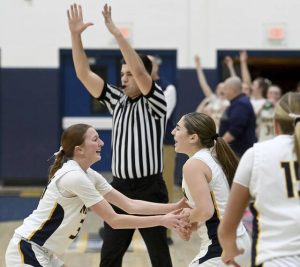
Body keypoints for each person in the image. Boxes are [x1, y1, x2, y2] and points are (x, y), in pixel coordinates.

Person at [68, 4, 173, 267]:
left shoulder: (155, 101)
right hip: (120, 189)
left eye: (129, 74)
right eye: (122, 74)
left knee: (159, 255)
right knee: (110, 256)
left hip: (150, 188)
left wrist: (115, 32)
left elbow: (140, 71)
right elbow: (83, 73)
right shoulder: (116, 99)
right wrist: (75, 36)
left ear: (145, 77)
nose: (124, 78)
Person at [5, 124, 189, 267]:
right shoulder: (75, 177)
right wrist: (163, 220)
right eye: (95, 139)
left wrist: (174, 206)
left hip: (45, 252)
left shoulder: (88, 174)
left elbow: (130, 204)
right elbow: (115, 220)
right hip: (29, 249)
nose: (101, 143)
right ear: (80, 149)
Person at [218, 92, 300, 267]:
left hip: (275, 259)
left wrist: (231, 252)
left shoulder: (256, 155)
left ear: (275, 124)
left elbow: (226, 229)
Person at [172, 112, 251, 267]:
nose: (173, 132)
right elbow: (213, 212)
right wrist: (191, 225)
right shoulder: (211, 157)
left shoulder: (193, 165)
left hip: (221, 247)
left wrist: (185, 219)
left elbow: (206, 210)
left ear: (193, 138)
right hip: (238, 241)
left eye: (178, 128)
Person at [148, 54, 177, 244]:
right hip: (144, 145)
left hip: (164, 144)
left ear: (157, 67)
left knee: (165, 185)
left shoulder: (168, 88)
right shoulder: (137, 87)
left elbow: (160, 115)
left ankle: (167, 231)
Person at [219, 76, 256, 158]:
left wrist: (218, 146)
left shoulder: (241, 104)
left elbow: (234, 130)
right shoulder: (237, 103)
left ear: (232, 90)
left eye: (225, 89)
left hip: (238, 154)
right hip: (235, 152)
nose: (223, 92)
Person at [194, 55, 229, 131]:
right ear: (216, 90)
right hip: (210, 129)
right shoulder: (213, 99)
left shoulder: (229, 101)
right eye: (219, 87)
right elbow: (203, 84)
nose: (221, 89)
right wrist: (198, 67)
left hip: (222, 129)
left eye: (223, 87)